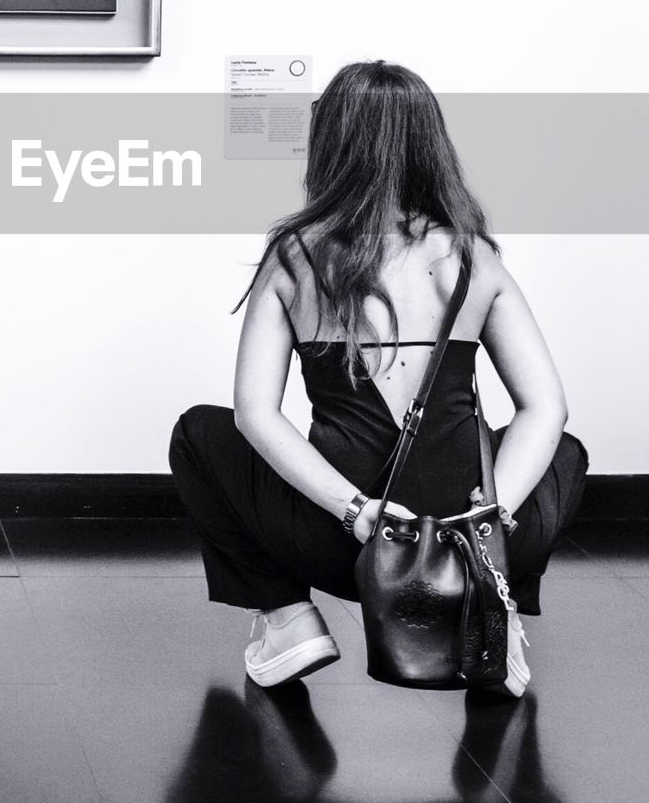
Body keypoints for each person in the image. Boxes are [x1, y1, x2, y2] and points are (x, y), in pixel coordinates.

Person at [168, 60, 588, 697]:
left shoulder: (298, 256)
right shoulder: (471, 257)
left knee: (200, 434)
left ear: (331, 143)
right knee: (565, 453)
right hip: (470, 550)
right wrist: (487, 516)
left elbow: (255, 414)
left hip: (347, 549)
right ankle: (492, 609)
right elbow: (546, 409)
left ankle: (287, 617)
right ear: (430, 145)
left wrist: (359, 511)